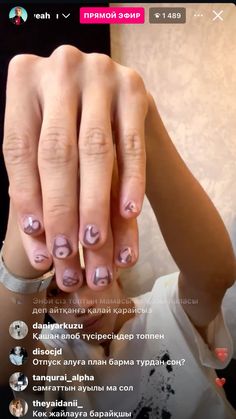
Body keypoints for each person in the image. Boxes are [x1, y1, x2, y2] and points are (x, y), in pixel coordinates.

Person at [1, 46, 235, 418]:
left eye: (93, 275)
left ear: (119, 254)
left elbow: (215, 277)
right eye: (58, 292)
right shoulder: (54, 351)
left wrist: (144, 124)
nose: (83, 307)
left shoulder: (167, 310)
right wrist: (25, 192)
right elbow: (8, 364)